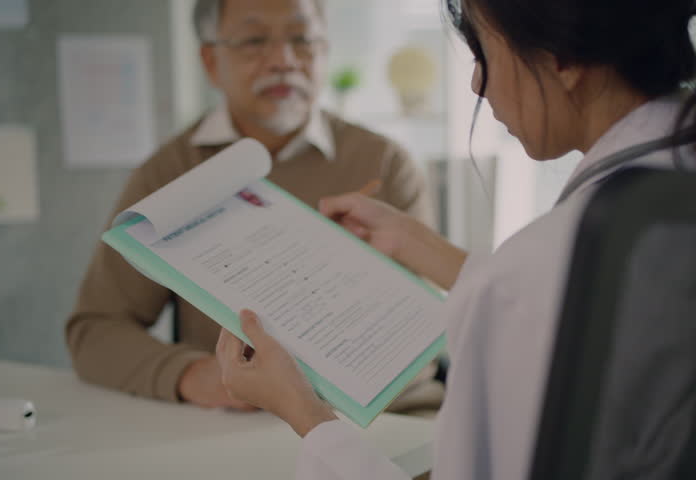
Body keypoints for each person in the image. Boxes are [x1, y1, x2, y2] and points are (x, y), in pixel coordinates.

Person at [215, 0, 696, 478]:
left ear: (563, 59)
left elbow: (535, 297)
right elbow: (563, 311)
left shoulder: (536, 271)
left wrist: (304, 413)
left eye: (482, 53)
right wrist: (428, 249)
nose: (475, 82)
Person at [65, 0, 440, 413]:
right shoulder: (170, 171)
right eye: (254, 40)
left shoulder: (384, 164)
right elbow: (95, 331)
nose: (283, 60)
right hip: (237, 430)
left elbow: (421, 334)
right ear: (210, 61)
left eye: (301, 39)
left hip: (387, 423)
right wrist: (195, 375)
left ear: (325, 51)